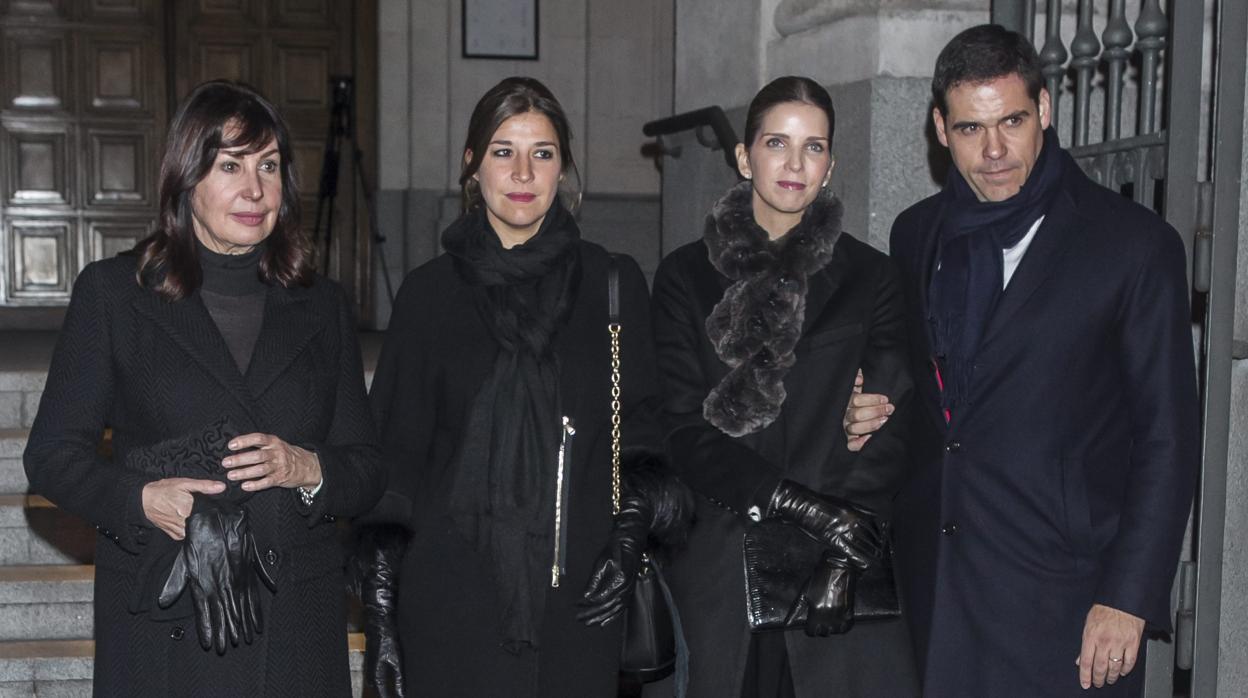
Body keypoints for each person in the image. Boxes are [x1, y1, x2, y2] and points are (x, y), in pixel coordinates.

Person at [845, 24, 1199, 696]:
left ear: (1045, 111)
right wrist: (867, 402)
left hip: (1066, 598)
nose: (997, 149)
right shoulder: (916, 234)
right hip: (936, 585)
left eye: (1012, 120)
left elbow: (1168, 436)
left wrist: (1128, 597)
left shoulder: (1132, 244)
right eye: (973, 129)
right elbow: (935, 390)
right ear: (940, 130)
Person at [23, 80, 385, 696]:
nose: (255, 189)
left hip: (295, 620)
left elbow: (367, 468)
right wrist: (143, 500)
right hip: (168, 618)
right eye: (230, 166)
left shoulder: (321, 306)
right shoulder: (115, 295)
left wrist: (308, 468)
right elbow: (52, 456)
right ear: (187, 179)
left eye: (269, 166)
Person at [355, 76, 688, 698]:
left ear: (564, 170)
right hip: (448, 597)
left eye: (543, 153)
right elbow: (393, 462)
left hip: (582, 594)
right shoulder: (429, 295)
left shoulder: (612, 286)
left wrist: (627, 540)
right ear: (471, 165)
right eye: (503, 151)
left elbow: (645, 432)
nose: (523, 171)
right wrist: (380, 614)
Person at [650, 76, 919, 698]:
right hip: (720, 561)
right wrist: (810, 510)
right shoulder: (684, 277)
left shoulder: (871, 276)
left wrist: (842, 552)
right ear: (744, 157)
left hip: (836, 572)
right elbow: (682, 429)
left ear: (831, 165)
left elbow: (891, 422)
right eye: (777, 142)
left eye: (815, 147)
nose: (795, 164)